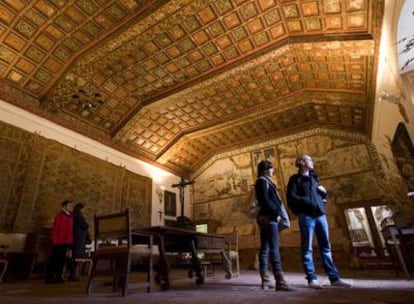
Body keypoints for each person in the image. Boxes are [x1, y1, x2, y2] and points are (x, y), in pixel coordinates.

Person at [286, 154, 351, 289]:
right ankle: (312, 279)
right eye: (310, 160)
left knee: (326, 247)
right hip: (306, 216)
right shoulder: (295, 179)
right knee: (307, 248)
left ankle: (334, 278)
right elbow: (291, 198)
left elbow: (319, 195)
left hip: (320, 215)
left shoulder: (314, 178)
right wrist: (305, 204)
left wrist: (324, 194)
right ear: (303, 162)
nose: (312, 162)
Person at [255, 160, 293, 291]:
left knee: (265, 249)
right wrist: (276, 213)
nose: (273, 171)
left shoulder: (264, 181)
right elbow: (264, 200)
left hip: (266, 218)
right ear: (266, 170)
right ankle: (280, 280)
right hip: (269, 218)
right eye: (271, 169)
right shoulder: (262, 181)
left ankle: (265, 280)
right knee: (273, 249)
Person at [45, 200, 74, 284]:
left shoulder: (70, 217)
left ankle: (58, 276)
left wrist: (70, 241)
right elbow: (54, 230)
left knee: (62, 260)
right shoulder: (59, 216)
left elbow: (70, 231)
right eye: (69, 205)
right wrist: (55, 241)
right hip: (58, 242)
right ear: (64, 206)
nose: (71, 207)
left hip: (66, 242)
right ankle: (49, 277)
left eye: (71, 206)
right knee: (54, 260)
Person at [68, 203, 89, 281]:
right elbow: (84, 225)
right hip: (78, 238)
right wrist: (87, 225)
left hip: (76, 238)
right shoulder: (78, 216)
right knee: (76, 258)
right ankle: (73, 275)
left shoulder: (74, 215)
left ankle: (73, 274)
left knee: (75, 257)